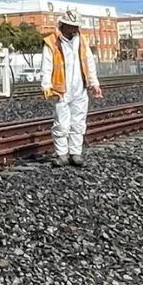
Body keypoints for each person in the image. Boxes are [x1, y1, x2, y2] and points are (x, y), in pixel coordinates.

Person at [40, 9, 103, 168]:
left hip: (79, 88)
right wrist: (46, 85)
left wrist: (94, 83)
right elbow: (46, 66)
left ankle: (75, 153)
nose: (74, 29)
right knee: (62, 124)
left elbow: (89, 63)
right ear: (64, 24)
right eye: (71, 26)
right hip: (60, 90)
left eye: (76, 26)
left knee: (78, 123)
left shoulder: (81, 41)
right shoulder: (51, 42)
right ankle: (62, 154)